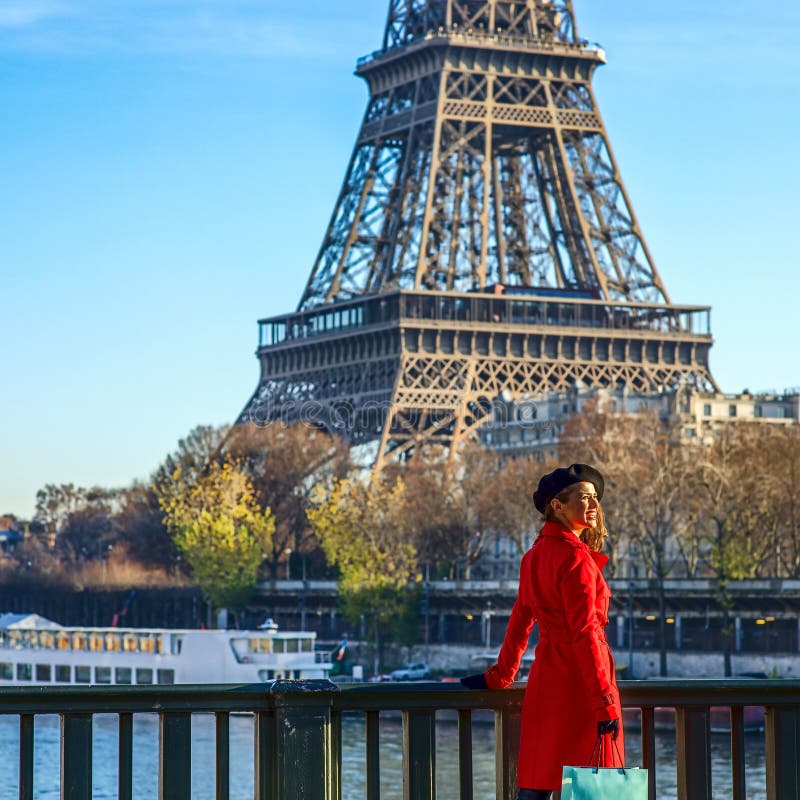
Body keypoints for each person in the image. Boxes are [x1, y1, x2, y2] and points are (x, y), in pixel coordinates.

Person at [461, 463, 623, 800]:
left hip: (546, 683)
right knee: (589, 788)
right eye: (584, 497)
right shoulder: (576, 559)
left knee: (537, 783)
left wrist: (500, 676)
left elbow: (521, 619)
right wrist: (605, 702)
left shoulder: (533, 556)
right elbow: (586, 634)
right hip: (582, 689)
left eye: (595, 498)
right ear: (557, 505)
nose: (594, 504)